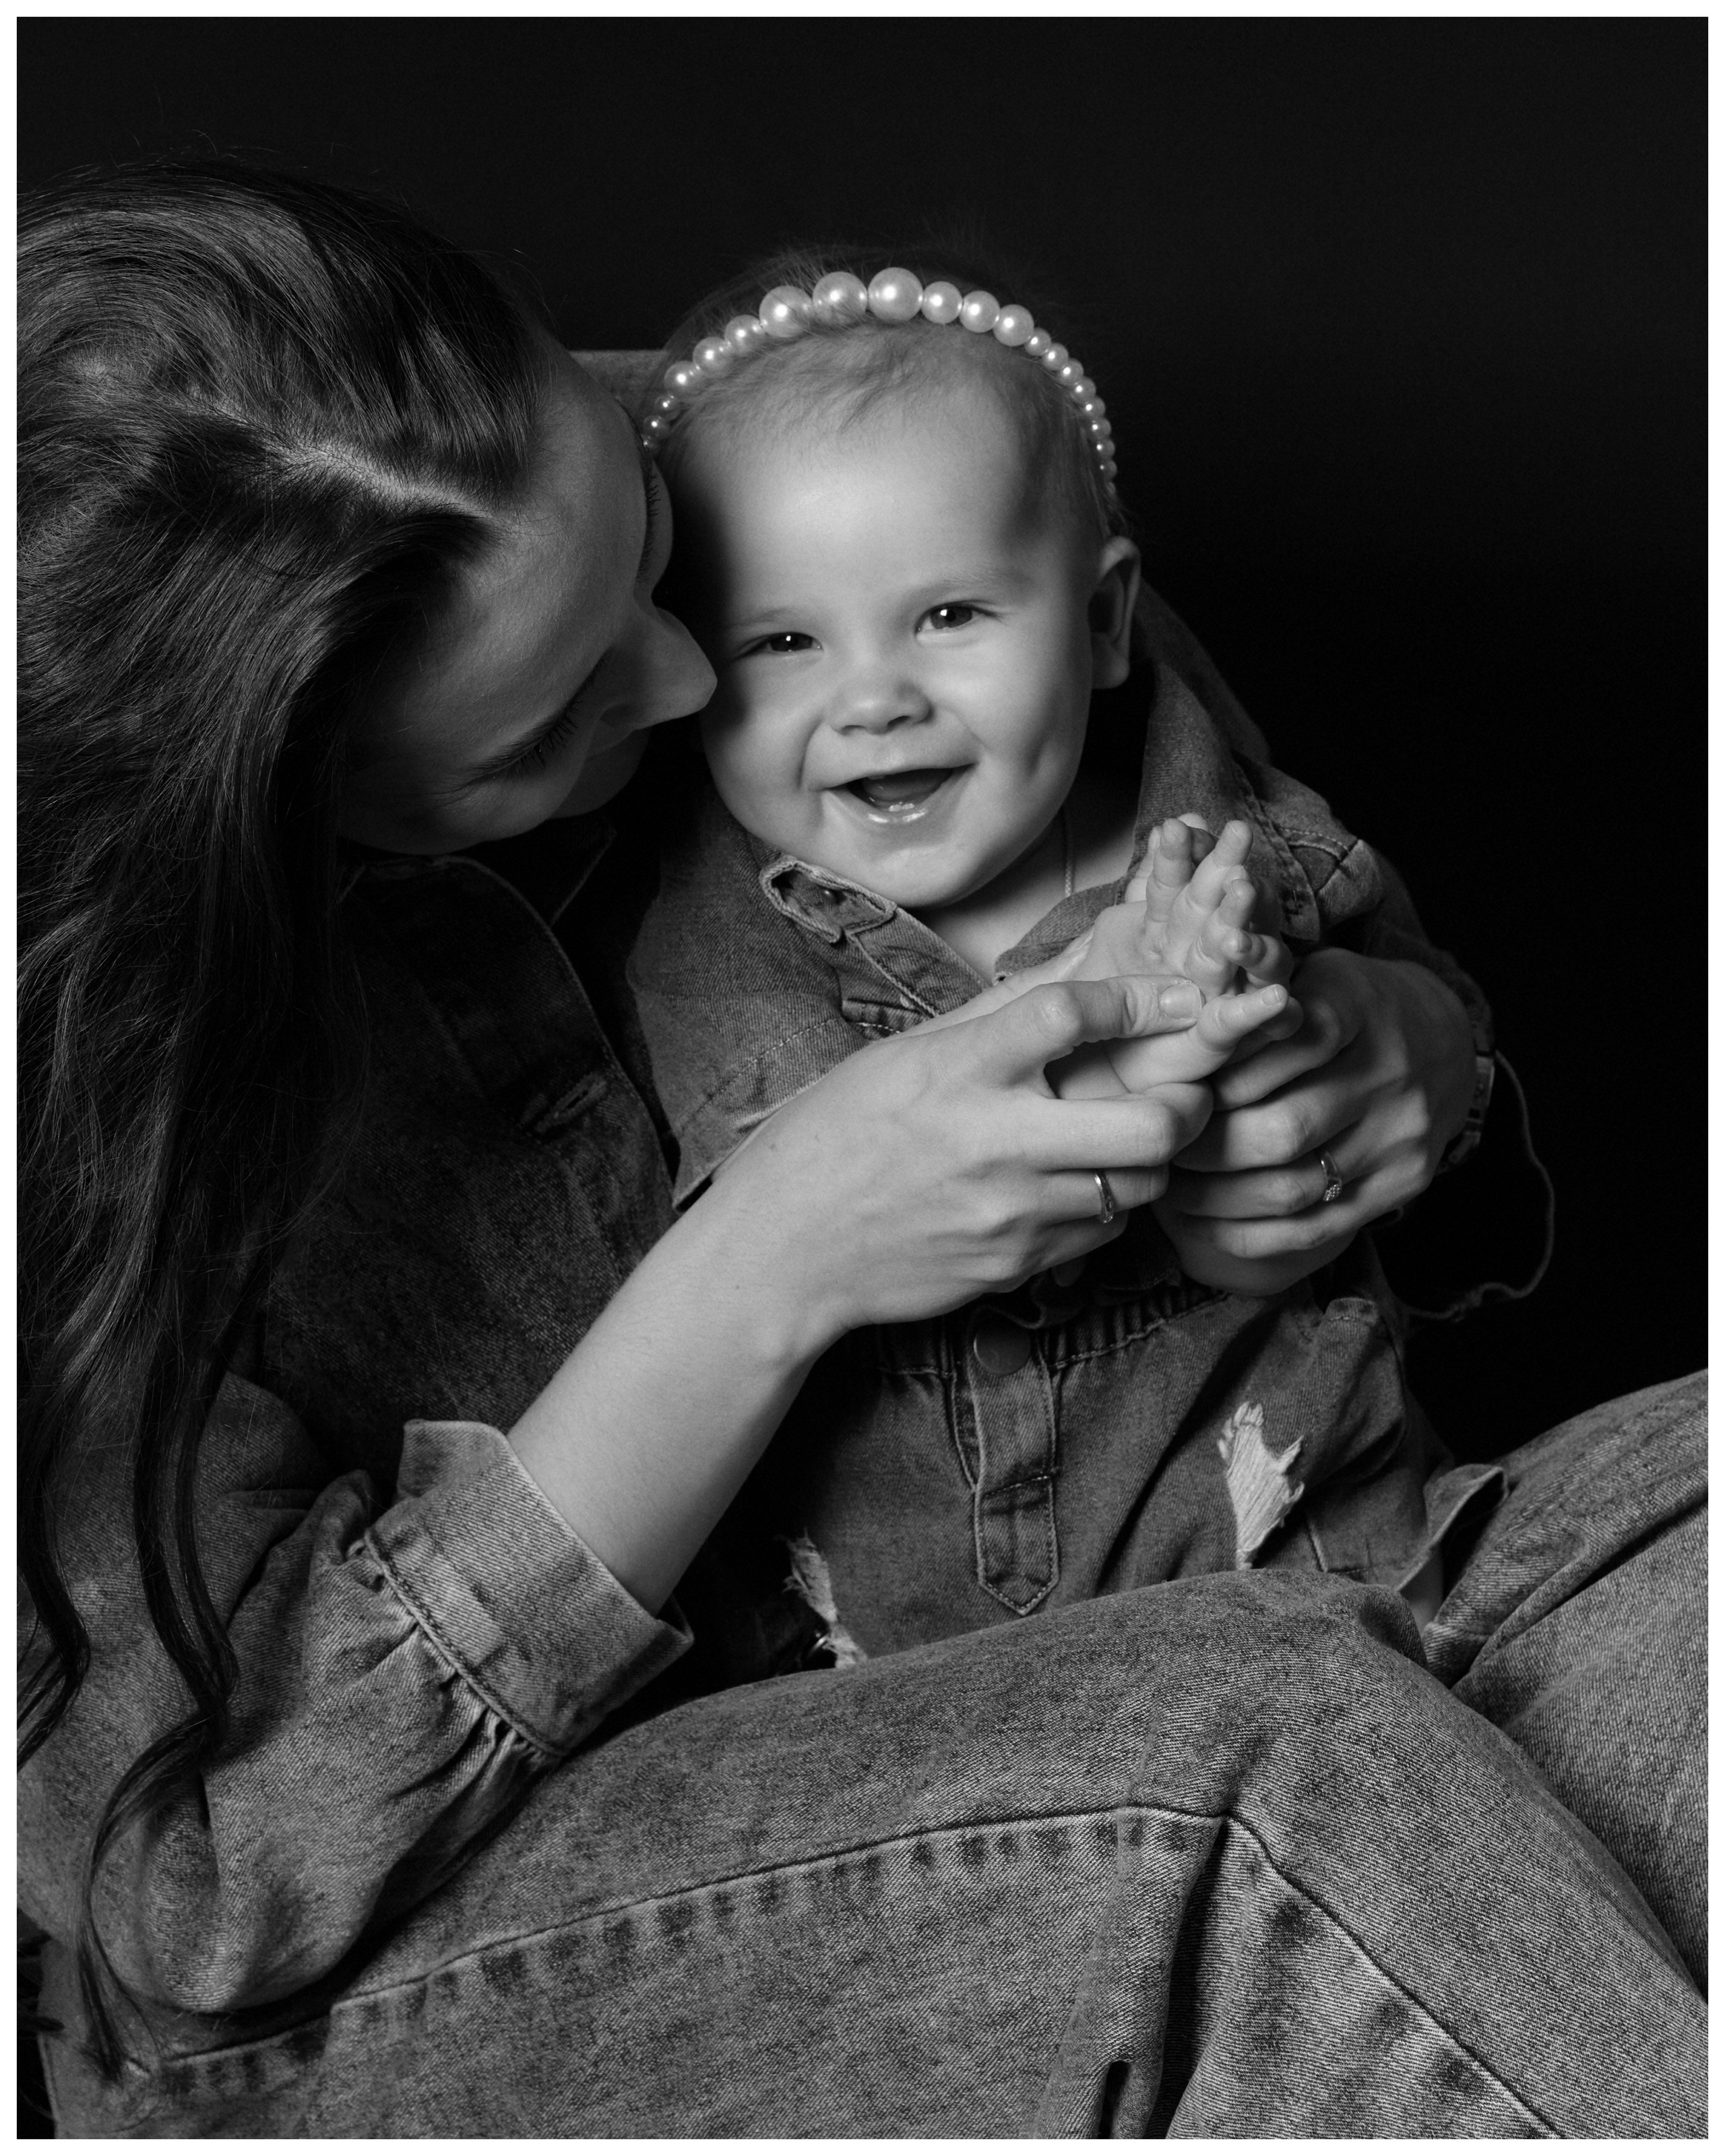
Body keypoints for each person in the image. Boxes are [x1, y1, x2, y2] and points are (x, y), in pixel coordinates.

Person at [18, 162, 1705, 2138]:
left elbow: (1225, 848)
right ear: (292, 852)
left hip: (1162, 1626)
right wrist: (772, 1260)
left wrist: (1408, 1061)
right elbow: (198, 1896)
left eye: (652, 547)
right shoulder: (85, 1089)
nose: (689, 675)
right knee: (1271, 1760)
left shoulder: (817, 461)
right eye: (549, 728)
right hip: (422, 1934)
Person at [629, 249, 1482, 1657]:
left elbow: (1413, 1099)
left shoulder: (1242, 852)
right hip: (895, 1690)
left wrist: (1242, 1006)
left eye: (948, 614)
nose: (875, 698)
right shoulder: (683, 944)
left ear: (1098, 621)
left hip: (1324, 1587)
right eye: (781, 639)